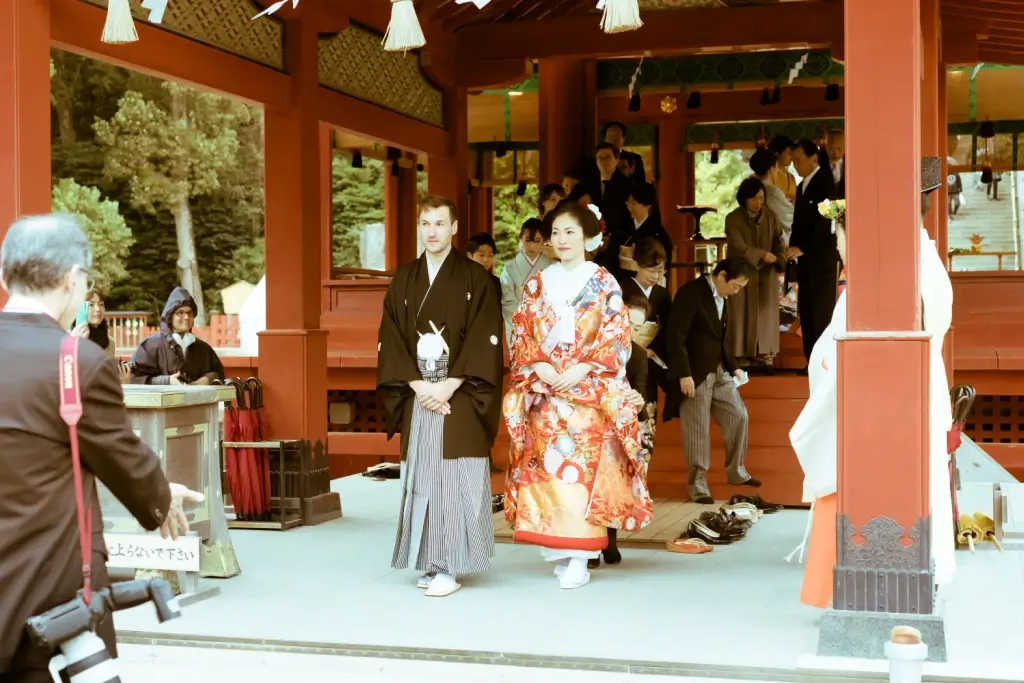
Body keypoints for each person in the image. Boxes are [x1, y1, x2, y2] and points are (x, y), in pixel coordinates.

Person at [0, 214, 202, 682]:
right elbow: (120, 455)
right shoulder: (77, 362)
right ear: (73, 279)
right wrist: (161, 496)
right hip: (45, 588)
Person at [790, 157, 955, 607]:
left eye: (841, 234)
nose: (840, 244)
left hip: (885, 402)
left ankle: (894, 585)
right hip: (883, 398)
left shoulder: (905, 267)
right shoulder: (913, 261)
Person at [503, 201, 652, 590]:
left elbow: (616, 335)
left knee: (581, 472)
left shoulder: (604, 282)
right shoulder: (538, 282)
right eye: (556, 233)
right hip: (547, 389)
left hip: (585, 390)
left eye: (570, 232)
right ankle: (560, 551)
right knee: (548, 471)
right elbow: (522, 330)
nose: (561, 239)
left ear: (589, 237)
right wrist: (540, 366)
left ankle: (582, 555)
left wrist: (581, 368)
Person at [377, 195, 503, 598]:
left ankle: (451, 564)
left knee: (454, 476)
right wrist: (417, 385)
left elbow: (486, 338)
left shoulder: (476, 279)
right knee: (424, 477)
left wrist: (450, 384)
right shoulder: (405, 279)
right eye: (425, 223)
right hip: (418, 391)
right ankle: (433, 561)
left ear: (454, 228)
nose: (431, 231)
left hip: (461, 392)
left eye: (439, 223)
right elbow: (391, 338)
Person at [664, 258, 759, 504]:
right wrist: (683, 373)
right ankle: (698, 486)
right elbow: (675, 336)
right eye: (735, 286)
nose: (736, 291)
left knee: (739, 415)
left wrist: (734, 367)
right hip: (694, 372)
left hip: (719, 369)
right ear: (722, 275)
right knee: (697, 430)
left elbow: (720, 337)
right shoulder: (690, 293)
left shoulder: (722, 297)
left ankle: (736, 471)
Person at [588, 286, 652, 570]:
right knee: (588, 484)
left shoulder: (637, 354)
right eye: (627, 321)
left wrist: (637, 401)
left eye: (638, 326)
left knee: (612, 483)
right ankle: (589, 544)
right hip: (588, 422)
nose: (630, 330)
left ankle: (610, 540)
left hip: (619, 427)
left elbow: (641, 395)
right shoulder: (590, 347)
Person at [724, 177, 786, 371]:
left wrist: (779, 257)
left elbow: (778, 239)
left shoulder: (770, 216)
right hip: (741, 273)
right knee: (741, 314)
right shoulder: (733, 218)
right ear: (744, 199)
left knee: (766, 313)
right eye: (754, 199)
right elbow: (738, 244)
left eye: (761, 198)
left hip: (766, 273)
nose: (759, 203)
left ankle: (765, 357)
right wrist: (761, 255)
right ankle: (741, 358)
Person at [788, 139, 839, 364]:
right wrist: (793, 248)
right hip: (806, 261)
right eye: (793, 161)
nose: (795, 165)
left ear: (814, 159)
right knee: (807, 312)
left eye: (798, 160)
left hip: (822, 260)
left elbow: (829, 223)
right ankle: (810, 359)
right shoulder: (801, 186)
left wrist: (804, 248)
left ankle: (821, 362)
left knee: (820, 313)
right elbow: (797, 224)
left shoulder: (827, 183)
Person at [131, 287, 225, 385]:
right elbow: (137, 378)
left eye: (189, 313)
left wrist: (205, 380)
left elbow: (218, 373)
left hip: (196, 400)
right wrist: (167, 381)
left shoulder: (203, 348)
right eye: (180, 313)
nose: (186, 317)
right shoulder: (150, 346)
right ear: (170, 316)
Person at [619, 238, 671, 407]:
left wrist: (652, 350)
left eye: (661, 270)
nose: (656, 276)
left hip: (650, 359)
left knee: (648, 409)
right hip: (625, 359)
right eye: (651, 270)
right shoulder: (621, 289)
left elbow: (667, 329)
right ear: (639, 264)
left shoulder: (662, 295)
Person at [499, 218, 554, 345]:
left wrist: (540, 320)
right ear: (520, 239)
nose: (532, 246)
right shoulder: (510, 268)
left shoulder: (553, 267)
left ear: (544, 241)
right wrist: (526, 319)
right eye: (528, 241)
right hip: (519, 327)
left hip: (546, 327)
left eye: (537, 241)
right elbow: (507, 300)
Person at [749, 148, 793, 241]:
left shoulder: (750, 188)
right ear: (771, 169)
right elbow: (788, 217)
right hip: (770, 241)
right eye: (776, 167)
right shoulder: (771, 191)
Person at [466, 232, 501, 304]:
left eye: (490, 255)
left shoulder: (495, 282)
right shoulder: (461, 280)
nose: (486, 260)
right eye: (481, 255)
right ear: (469, 255)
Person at [768, 135, 799, 202]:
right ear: (777, 153)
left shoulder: (791, 177)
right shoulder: (769, 175)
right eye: (789, 153)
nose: (791, 157)